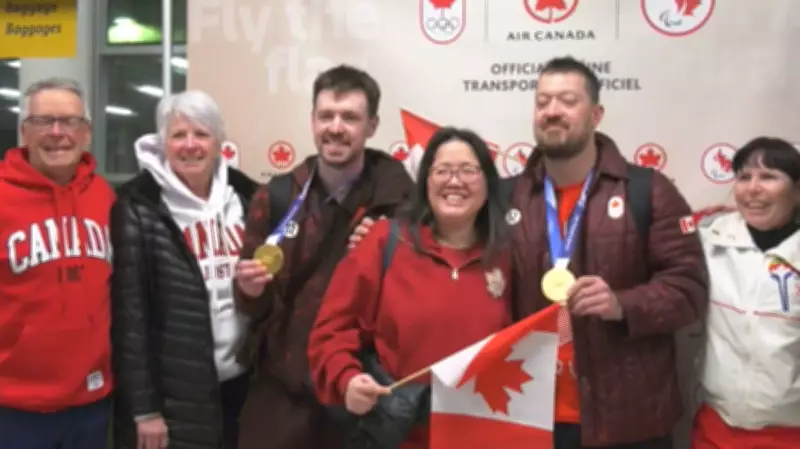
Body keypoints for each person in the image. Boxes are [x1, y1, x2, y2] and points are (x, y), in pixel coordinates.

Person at [350, 56, 709, 449]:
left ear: (596, 114)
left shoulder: (648, 191)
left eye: (567, 101)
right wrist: (378, 236)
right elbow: (443, 244)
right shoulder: (505, 195)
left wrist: (622, 304)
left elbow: (688, 290)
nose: (552, 111)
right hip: (522, 415)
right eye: (542, 102)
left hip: (627, 420)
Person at [234, 64, 414, 449]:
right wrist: (250, 290)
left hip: (363, 393)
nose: (336, 127)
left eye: (350, 117)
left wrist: (386, 248)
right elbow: (254, 306)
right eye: (326, 115)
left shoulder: (400, 200)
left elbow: (416, 296)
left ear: (372, 126)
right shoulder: (277, 197)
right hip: (286, 395)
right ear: (312, 121)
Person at [309, 127, 514, 449]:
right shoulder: (384, 241)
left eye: (468, 171)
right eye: (442, 170)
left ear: (488, 182)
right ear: (425, 182)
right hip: (399, 436)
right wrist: (346, 379)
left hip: (484, 434)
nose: (454, 181)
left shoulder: (509, 256)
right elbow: (332, 328)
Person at [110, 90, 258, 449]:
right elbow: (131, 318)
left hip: (243, 383)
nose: (190, 145)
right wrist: (145, 410)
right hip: (176, 395)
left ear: (219, 141)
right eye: (178, 135)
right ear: (163, 142)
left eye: (201, 134)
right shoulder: (137, 207)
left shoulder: (249, 196)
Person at [0, 78, 115, 448]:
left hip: (92, 399)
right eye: (43, 121)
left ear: (86, 132)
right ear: (23, 131)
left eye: (68, 122)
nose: (56, 133)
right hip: (13, 407)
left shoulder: (105, 196)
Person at [691, 137, 800, 449]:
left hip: (790, 432)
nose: (753, 189)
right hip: (716, 426)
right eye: (744, 177)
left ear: (797, 191)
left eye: (768, 177)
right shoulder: (709, 239)